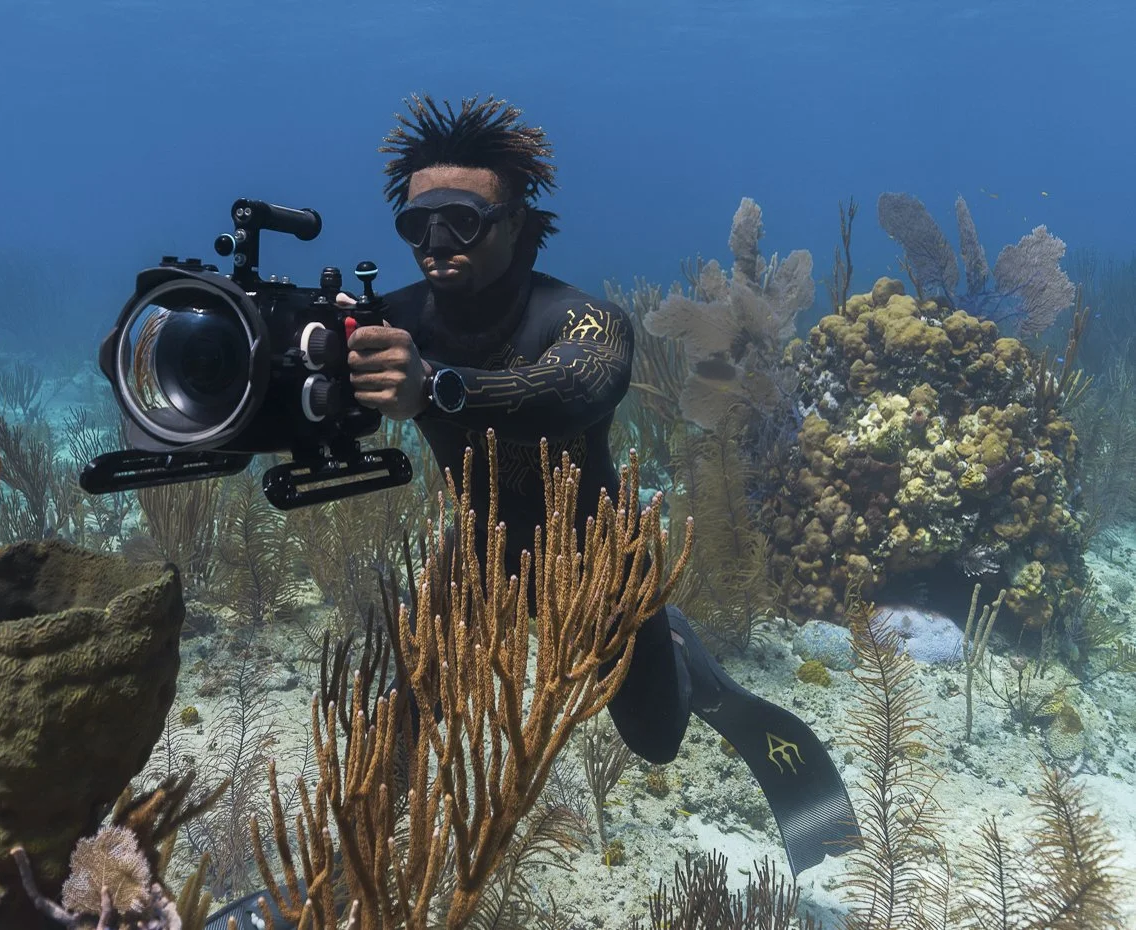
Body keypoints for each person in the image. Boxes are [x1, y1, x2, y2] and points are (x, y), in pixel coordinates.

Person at [204, 96, 852, 928]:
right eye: (417, 225)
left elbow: (571, 389)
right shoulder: (389, 319)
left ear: (516, 225)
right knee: (396, 734)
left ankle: (681, 650)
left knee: (654, 739)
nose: (438, 246)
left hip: (598, 560)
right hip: (476, 554)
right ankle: (327, 888)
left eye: (464, 222)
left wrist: (437, 385)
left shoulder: (581, 317)